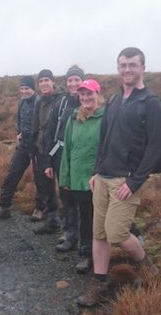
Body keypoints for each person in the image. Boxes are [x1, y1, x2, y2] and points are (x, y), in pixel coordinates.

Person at [77, 47, 161, 308]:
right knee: (98, 234)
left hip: (125, 181)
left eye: (132, 65)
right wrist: (96, 171)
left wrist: (135, 181)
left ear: (142, 68)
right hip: (103, 178)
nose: (127, 69)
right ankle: (99, 283)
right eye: (123, 65)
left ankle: (144, 263)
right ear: (118, 68)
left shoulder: (150, 102)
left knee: (116, 234)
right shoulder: (114, 101)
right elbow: (103, 139)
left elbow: (156, 147)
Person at [59, 79, 104, 274]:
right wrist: (65, 177)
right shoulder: (74, 119)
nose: (85, 98)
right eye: (82, 94)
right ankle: (87, 255)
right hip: (78, 178)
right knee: (85, 217)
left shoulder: (107, 117)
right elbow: (67, 149)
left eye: (89, 94)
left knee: (102, 218)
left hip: (100, 177)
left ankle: (109, 252)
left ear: (97, 94)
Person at [0, 75, 40, 220]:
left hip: (37, 146)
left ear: (33, 89)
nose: (24, 91)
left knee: (40, 179)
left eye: (27, 88)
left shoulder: (39, 102)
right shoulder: (21, 102)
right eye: (22, 88)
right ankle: (4, 207)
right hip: (23, 145)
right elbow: (19, 120)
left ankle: (40, 209)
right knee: (12, 174)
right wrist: (19, 133)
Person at [44, 65, 84, 246]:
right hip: (61, 156)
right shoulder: (60, 104)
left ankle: (87, 237)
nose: (73, 83)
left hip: (83, 159)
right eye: (70, 80)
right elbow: (50, 133)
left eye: (77, 79)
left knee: (84, 198)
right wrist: (48, 162)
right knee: (67, 196)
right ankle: (70, 233)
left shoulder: (89, 101)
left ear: (83, 81)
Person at [28, 69, 63, 231]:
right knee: (47, 186)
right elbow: (35, 124)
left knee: (65, 187)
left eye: (46, 80)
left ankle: (71, 226)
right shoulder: (39, 101)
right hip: (42, 148)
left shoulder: (62, 99)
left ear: (52, 81)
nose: (44, 83)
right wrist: (33, 144)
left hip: (59, 149)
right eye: (41, 81)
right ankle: (52, 220)